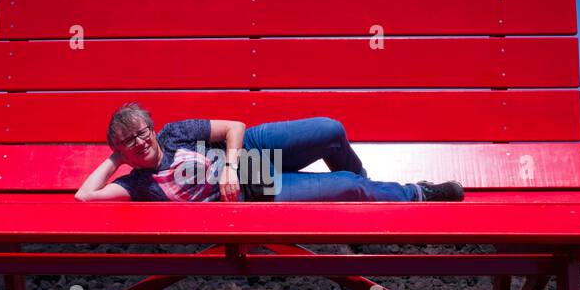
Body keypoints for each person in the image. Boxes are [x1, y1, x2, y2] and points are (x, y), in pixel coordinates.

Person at [75, 102, 465, 203]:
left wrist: (228, 166)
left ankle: (373, 191)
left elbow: (234, 128)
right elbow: (85, 196)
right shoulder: (139, 184)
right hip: (254, 189)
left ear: (152, 127)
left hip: (250, 151)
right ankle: (417, 192)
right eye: (129, 142)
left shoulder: (175, 133)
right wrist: (116, 158)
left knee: (331, 130)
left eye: (142, 132)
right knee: (346, 185)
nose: (141, 142)